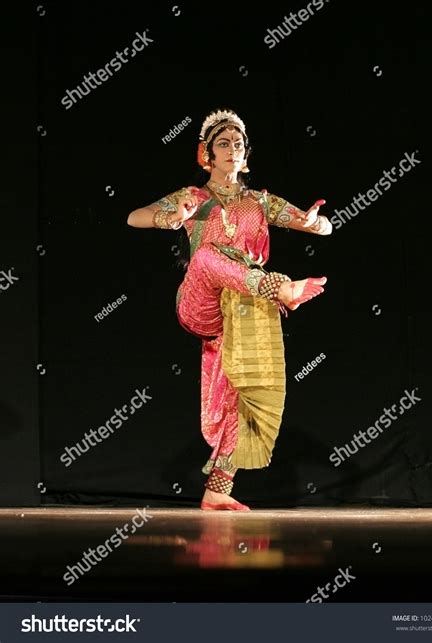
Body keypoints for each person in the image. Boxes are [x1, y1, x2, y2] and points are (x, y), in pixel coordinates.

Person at [127, 109, 332, 511]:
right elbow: (134, 217)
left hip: (243, 311)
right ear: (207, 154)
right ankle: (281, 287)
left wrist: (313, 223)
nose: (233, 150)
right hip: (201, 303)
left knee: (237, 396)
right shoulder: (194, 198)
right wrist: (173, 218)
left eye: (239, 144)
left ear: (246, 155)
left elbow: (323, 225)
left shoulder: (260, 201)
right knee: (205, 255)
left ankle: (217, 491)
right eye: (224, 144)